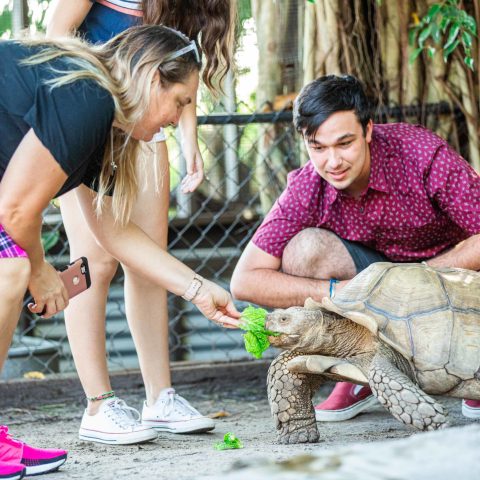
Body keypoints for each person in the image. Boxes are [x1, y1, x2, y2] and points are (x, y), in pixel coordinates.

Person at [0, 25, 240, 478]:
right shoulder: (86, 97)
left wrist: (199, 289)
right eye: (182, 101)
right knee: (11, 269)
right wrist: (40, 270)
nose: (178, 117)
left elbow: (114, 231)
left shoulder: (100, 120)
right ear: (154, 81)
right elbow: (14, 210)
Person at [231, 74, 480, 423]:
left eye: (344, 143)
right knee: (304, 250)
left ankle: (470, 367)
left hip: (448, 281)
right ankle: (358, 368)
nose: (333, 162)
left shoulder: (420, 153)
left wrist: (421, 277)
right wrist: (341, 292)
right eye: (318, 147)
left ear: (368, 130)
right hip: (367, 290)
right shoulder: (307, 186)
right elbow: (244, 281)